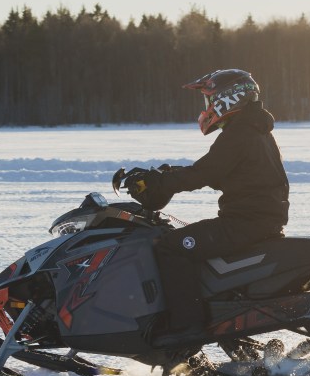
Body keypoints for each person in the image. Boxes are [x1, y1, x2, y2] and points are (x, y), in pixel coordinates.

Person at [122, 69, 289, 323]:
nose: (207, 106)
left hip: (244, 224)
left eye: (210, 99)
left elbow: (204, 173)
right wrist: (166, 175)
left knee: (170, 248)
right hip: (258, 221)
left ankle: (186, 326)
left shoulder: (240, 133)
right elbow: (216, 171)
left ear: (229, 98)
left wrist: (160, 182)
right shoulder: (255, 129)